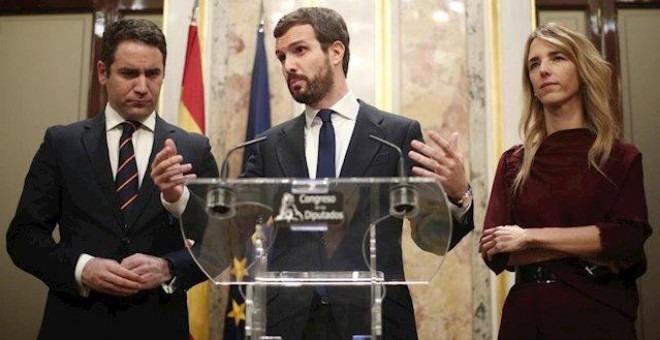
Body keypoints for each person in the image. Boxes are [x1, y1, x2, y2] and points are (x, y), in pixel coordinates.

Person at [240, 7, 474, 339]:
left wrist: (456, 194)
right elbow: (234, 223)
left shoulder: (396, 135)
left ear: (336, 51)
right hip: (288, 322)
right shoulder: (268, 143)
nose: (288, 65)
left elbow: (433, 238)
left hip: (374, 316)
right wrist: (181, 199)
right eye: (281, 57)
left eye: (299, 50)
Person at [6, 19, 218, 339]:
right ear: (103, 72)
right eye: (129, 73)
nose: (143, 86)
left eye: (153, 74)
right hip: (74, 324)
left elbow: (223, 247)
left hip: (159, 325)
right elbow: (23, 238)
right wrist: (82, 268)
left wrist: (169, 267)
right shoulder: (62, 143)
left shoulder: (193, 148)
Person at [479, 23, 652, 339]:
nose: (544, 69)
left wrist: (529, 237)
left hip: (598, 313)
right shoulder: (513, 162)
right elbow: (497, 251)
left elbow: (627, 240)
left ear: (582, 69)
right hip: (527, 318)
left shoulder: (621, 158)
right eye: (534, 64)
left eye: (557, 58)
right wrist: (592, 245)